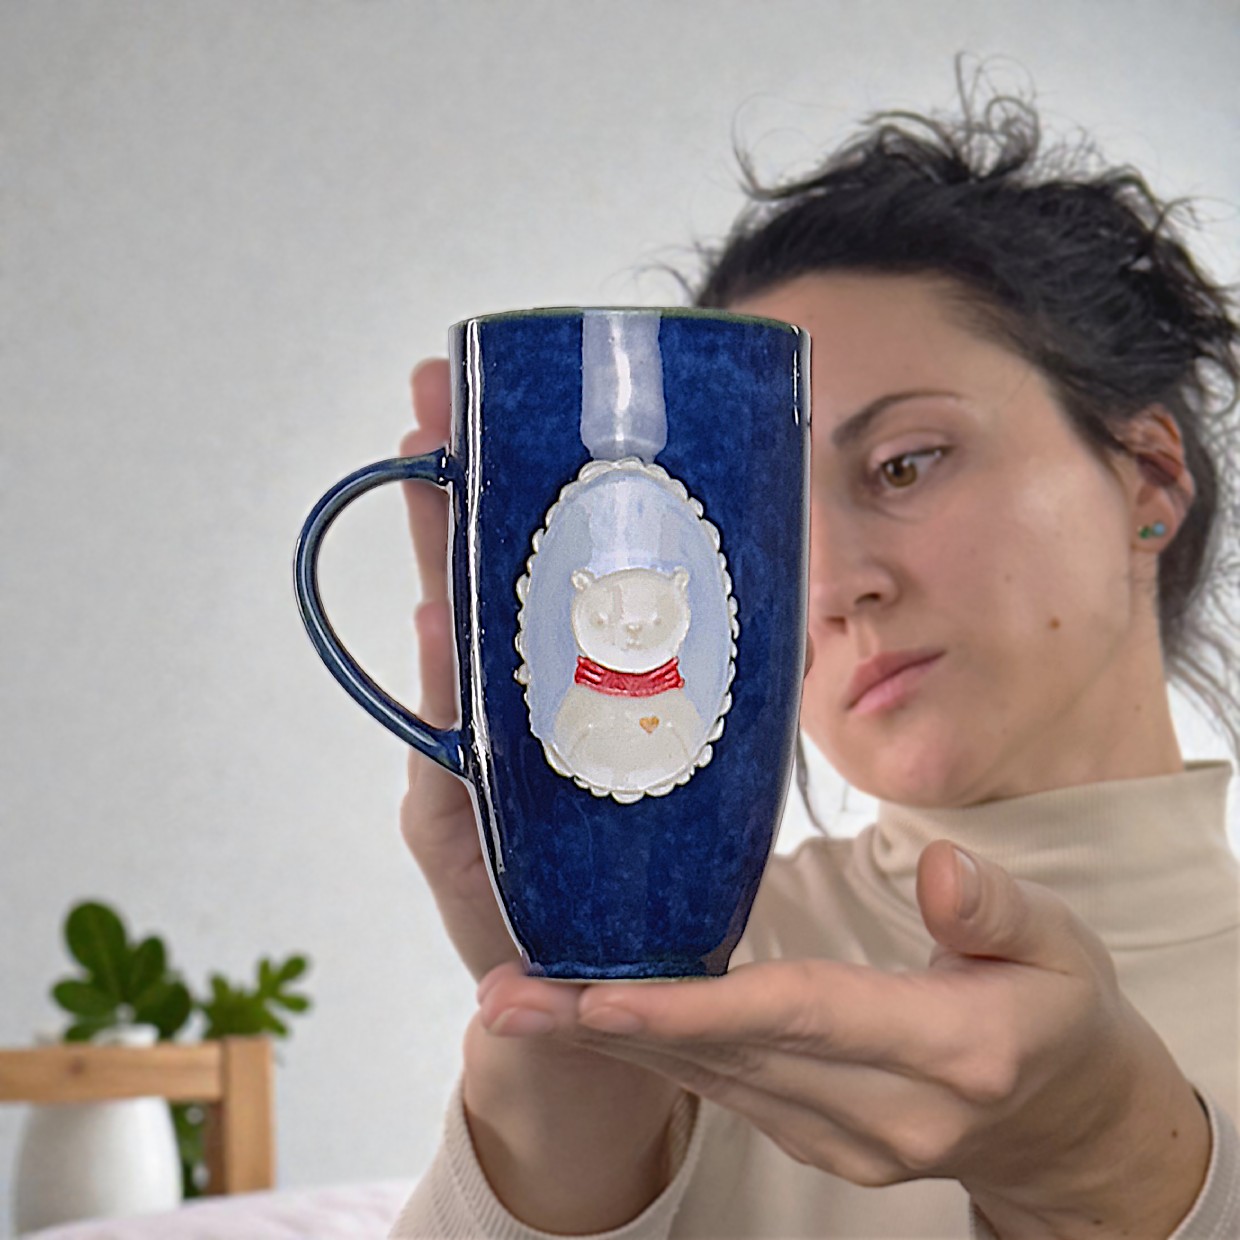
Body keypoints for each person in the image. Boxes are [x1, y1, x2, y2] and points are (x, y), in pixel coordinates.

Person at [388, 81, 1240, 1239]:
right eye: (773, 517)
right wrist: (560, 1084)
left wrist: (1119, 1169)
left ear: (1147, 477)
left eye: (904, 464)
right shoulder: (709, 983)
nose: (831, 583)